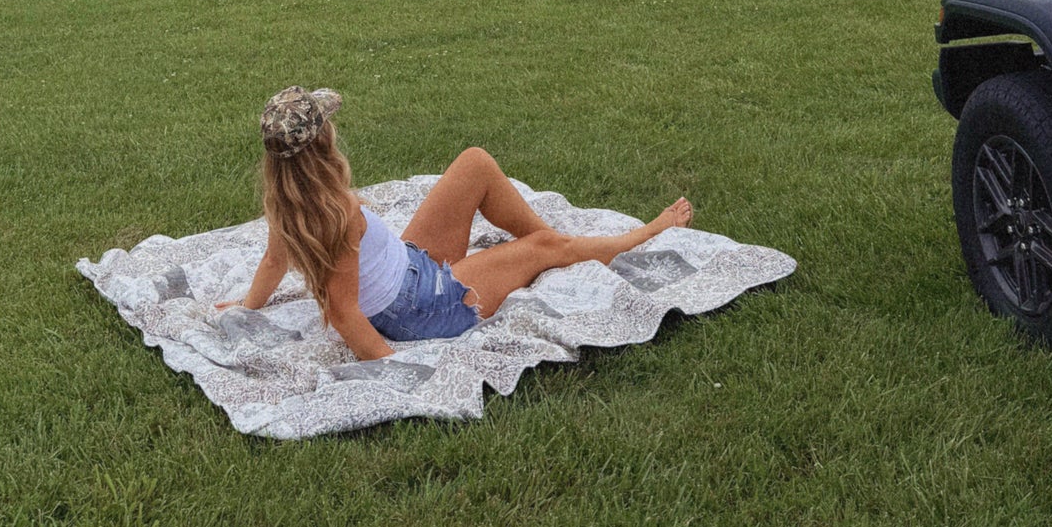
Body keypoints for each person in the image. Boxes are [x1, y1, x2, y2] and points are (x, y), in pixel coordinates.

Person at [216, 86, 694, 359]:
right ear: (322, 145)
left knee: (474, 164)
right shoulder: (340, 216)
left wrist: (245, 305)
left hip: (410, 269)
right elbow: (344, 313)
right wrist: (396, 370)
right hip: (425, 308)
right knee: (548, 247)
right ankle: (636, 235)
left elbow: (273, 261)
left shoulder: (292, 202)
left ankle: (536, 251)